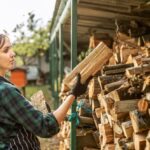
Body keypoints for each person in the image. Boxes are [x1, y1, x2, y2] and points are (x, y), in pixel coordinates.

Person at [0, 34, 91, 150]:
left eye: (11, 48)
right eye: (6, 50)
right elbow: (45, 127)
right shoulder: (5, 91)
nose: (13, 53)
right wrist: (73, 93)